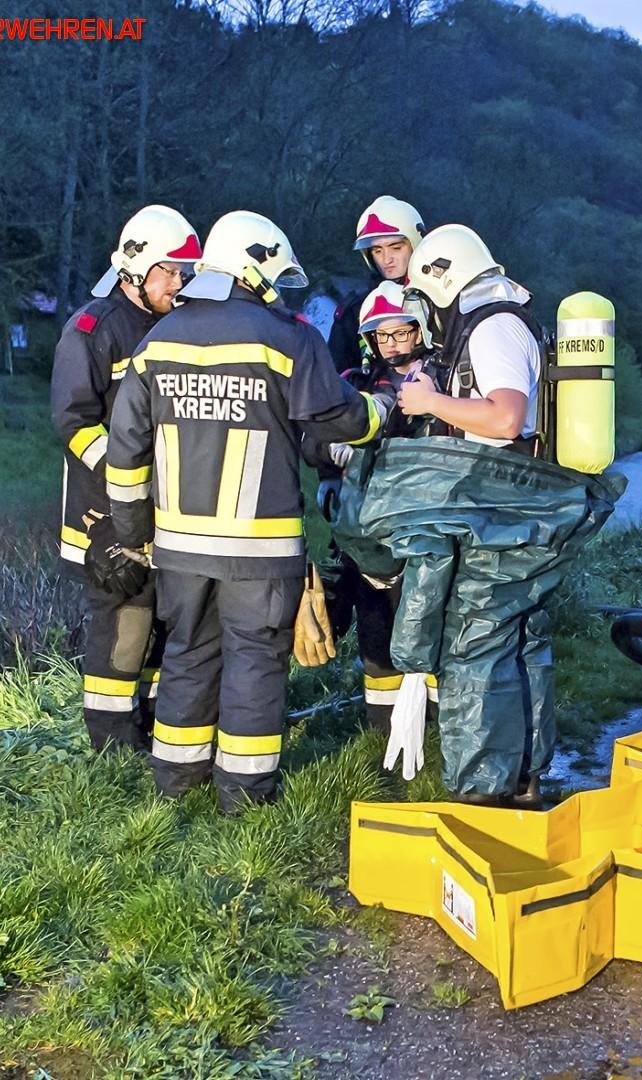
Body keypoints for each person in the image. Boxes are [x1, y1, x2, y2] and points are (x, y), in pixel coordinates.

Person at [105, 210, 395, 812]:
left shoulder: (156, 341)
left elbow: (126, 450)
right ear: (255, 269)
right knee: (256, 661)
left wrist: (134, 533)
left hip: (179, 547)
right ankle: (245, 795)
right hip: (260, 549)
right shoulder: (288, 338)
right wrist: (386, 407)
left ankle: (177, 782)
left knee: (187, 653)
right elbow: (341, 420)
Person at [363, 224, 621, 806]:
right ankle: (523, 776)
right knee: (520, 638)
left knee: (475, 643)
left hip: (505, 511)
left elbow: (505, 418)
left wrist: (429, 401)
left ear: (444, 281)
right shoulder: (498, 320)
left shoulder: (492, 327)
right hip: (518, 506)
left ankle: (483, 792)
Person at [50, 204, 199, 750]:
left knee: (164, 622)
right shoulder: (93, 328)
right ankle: (112, 744)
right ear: (134, 269)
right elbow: (72, 421)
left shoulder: (177, 324)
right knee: (125, 623)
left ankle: (157, 727)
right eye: (169, 271)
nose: (178, 283)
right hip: (105, 513)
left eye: (184, 272)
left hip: (165, 508)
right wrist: (122, 483)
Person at [315, 280, 441, 731]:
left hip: (426, 530)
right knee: (375, 627)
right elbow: (313, 436)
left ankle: (439, 730)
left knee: (430, 628)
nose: (391, 344)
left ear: (420, 330)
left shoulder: (442, 381)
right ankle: (382, 732)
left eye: (400, 332)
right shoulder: (357, 382)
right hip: (367, 534)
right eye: (380, 335)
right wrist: (332, 449)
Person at [323, 195, 426, 377]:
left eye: (396, 247)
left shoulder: (440, 301)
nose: (386, 259)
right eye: (377, 251)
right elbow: (333, 376)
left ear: (415, 243)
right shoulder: (355, 312)